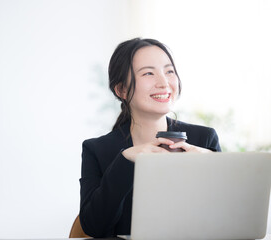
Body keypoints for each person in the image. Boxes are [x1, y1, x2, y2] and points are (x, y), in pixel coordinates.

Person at [79, 38, 221, 238]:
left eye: (169, 71)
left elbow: (225, 219)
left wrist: (211, 165)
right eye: (148, 73)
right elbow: (93, 226)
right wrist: (125, 160)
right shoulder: (98, 150)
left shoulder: (204, 139)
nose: (164, 83)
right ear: (122, 90)